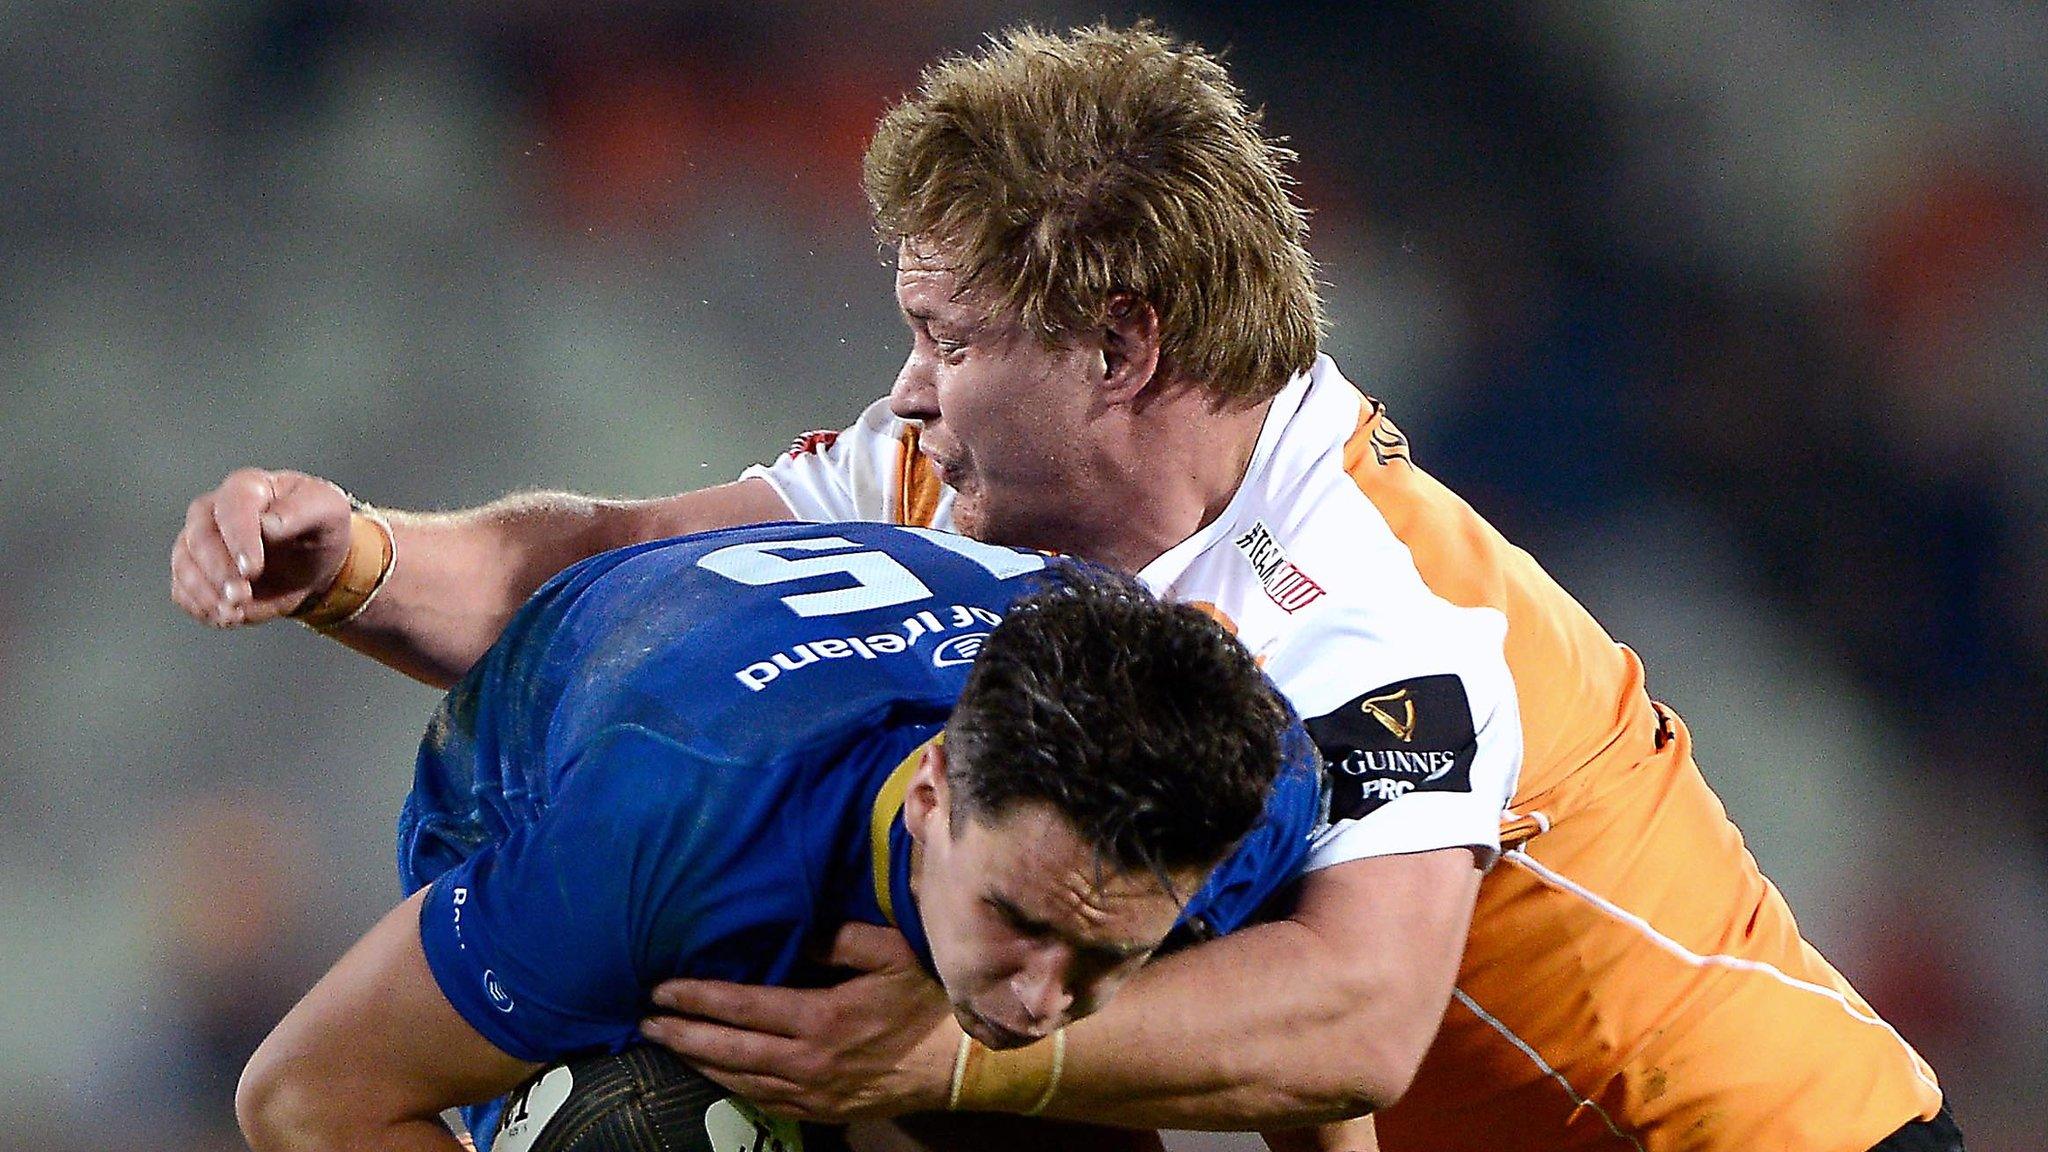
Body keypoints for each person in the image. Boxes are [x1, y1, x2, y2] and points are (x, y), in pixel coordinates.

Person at [179, 22, 1961, 1152]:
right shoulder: (939, 481)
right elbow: (598, 585)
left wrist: (950, 1063)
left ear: (1119, 345)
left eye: (951, 337)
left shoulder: (1362, 599)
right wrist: (356, 556)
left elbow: (1354, 1017)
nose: (915, 384)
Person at [232, 520, 1322, 1152]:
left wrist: (957, 1054)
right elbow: (303, 1096)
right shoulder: (655, 836)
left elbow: (1314, 1074)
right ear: (935, 789)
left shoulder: (1242, 785)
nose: (1041, 997)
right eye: (1017, 919)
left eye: (1107, 957)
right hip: (569, 781)